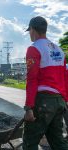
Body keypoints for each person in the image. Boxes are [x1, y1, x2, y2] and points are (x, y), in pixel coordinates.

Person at [23, 16, 68, 150]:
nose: (29, 34)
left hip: (43, 102)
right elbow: (64, 78)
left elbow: (32, 79)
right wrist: (64, 101)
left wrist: (29, 107)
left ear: (32, 29)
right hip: (58, 102)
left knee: (30, 142)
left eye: (29, 30)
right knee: (58, 142)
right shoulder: (59, 50)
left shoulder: (34, 48)